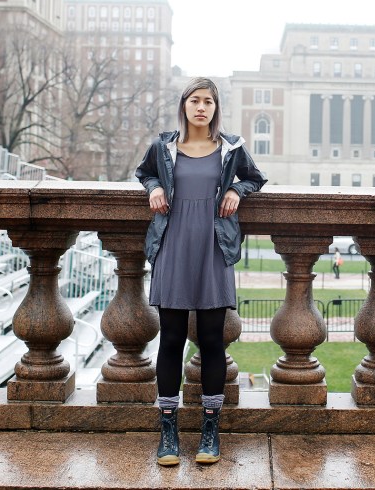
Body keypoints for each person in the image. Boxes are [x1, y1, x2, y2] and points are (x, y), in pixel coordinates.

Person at [136, 77, 266, 467]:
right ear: (184, 105)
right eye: (195, 100)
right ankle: (168, 430)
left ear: (215, 108)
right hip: (173, 246)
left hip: (213, 247)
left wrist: (235, 191)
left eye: (208, 101)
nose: (201, 107)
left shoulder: (231, 148)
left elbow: (256, 178)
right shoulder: (163, 146)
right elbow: (144, 173)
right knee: (172, 338)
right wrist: (154, 186)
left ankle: (211, 429)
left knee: (212, 339)